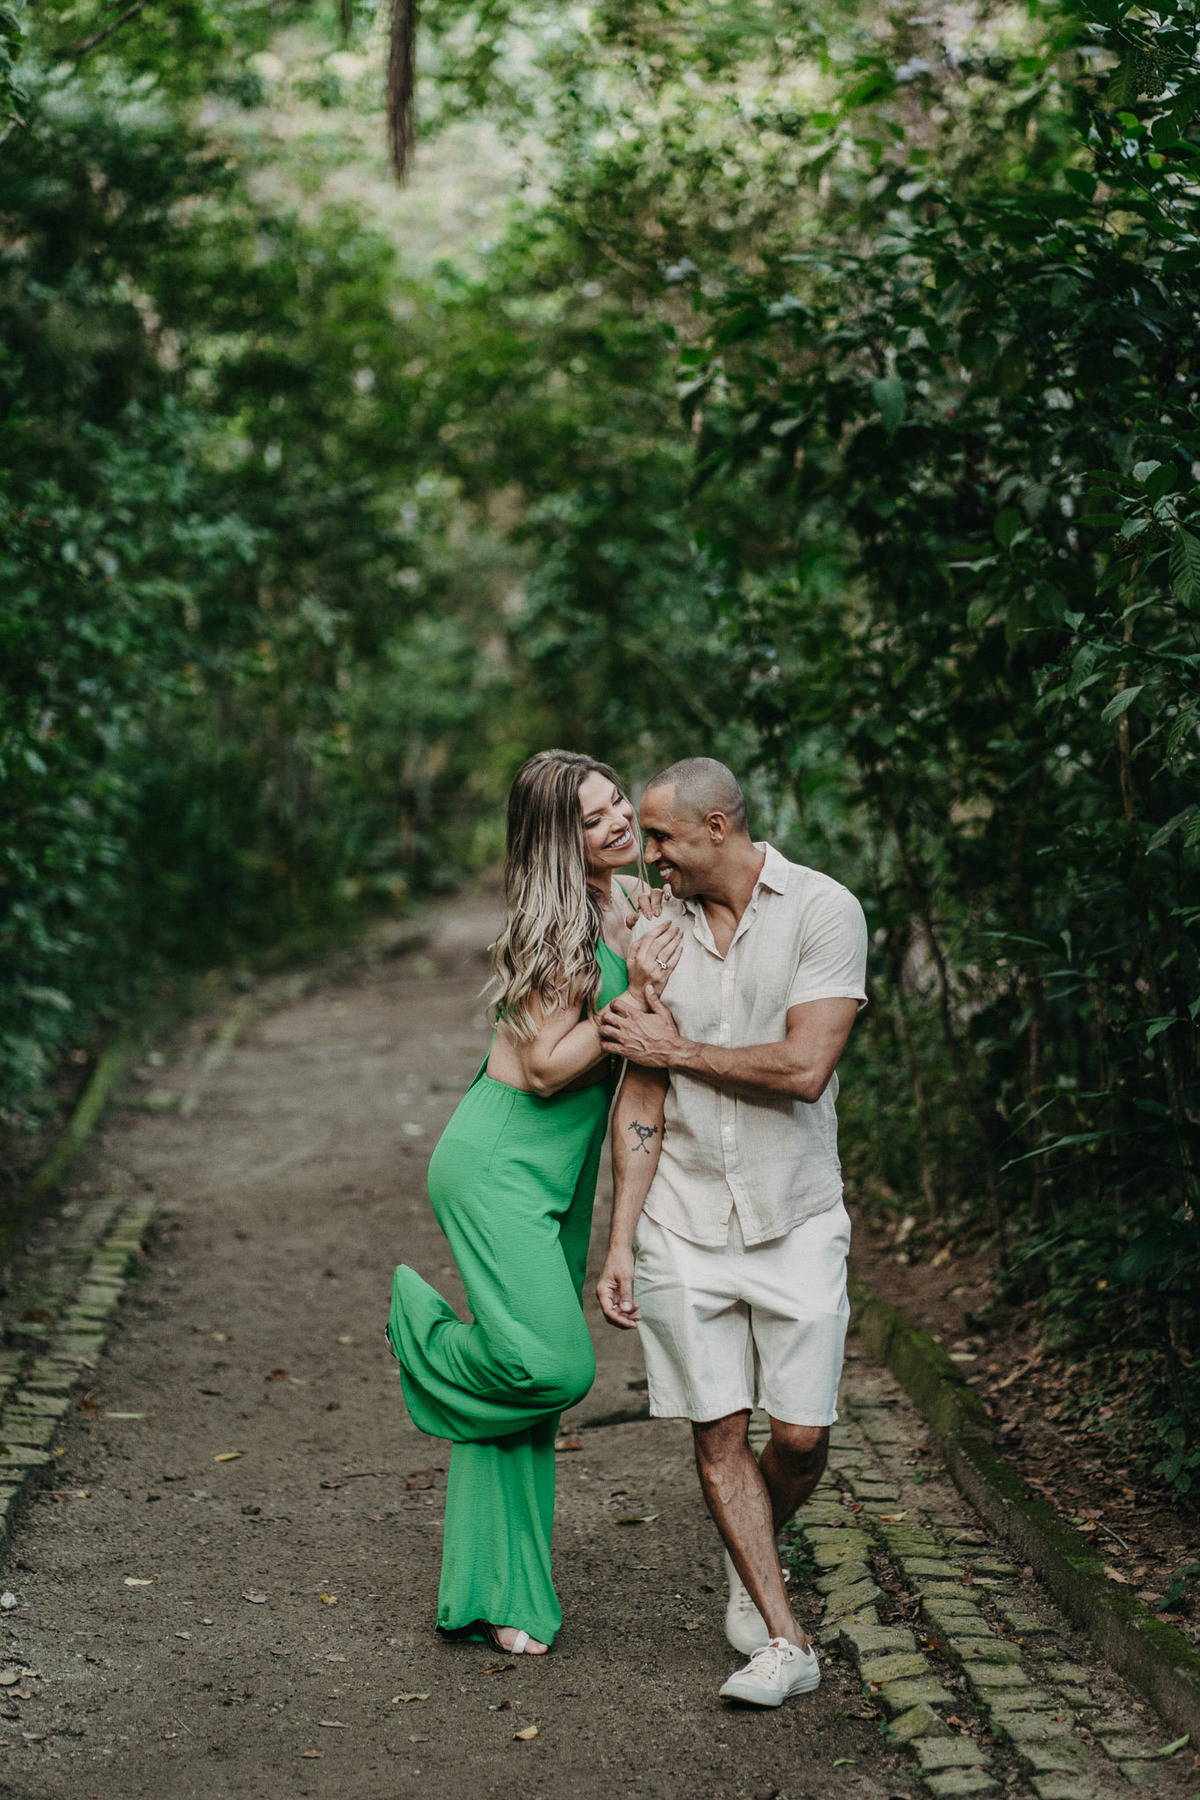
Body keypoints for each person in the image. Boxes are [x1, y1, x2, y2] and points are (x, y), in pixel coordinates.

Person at [386, 750, 681, 1656]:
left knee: (522, 1411)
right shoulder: (548, 928)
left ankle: (493, 1597)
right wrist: (634, 986)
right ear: (563, 840)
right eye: (595, 820)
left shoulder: (627, 904)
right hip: (498, 1164)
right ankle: (426, 1339)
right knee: (551, 1371)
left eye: (619, 803)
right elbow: (550, 1066)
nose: (621, 823)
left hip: (554, 1183)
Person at [595, 757, 867, 1707]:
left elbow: (804, 1068)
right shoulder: (653, 930)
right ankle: (783, 1640)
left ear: (718, 825)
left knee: (797, 1437)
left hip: (793, 1211)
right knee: (720, 1433)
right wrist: (621, 1240)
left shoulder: (823, 910)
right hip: (682, 1216)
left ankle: (752, 1544)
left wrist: (675, 1046)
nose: (649, 855)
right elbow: (643, 1091)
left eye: (662, 837)